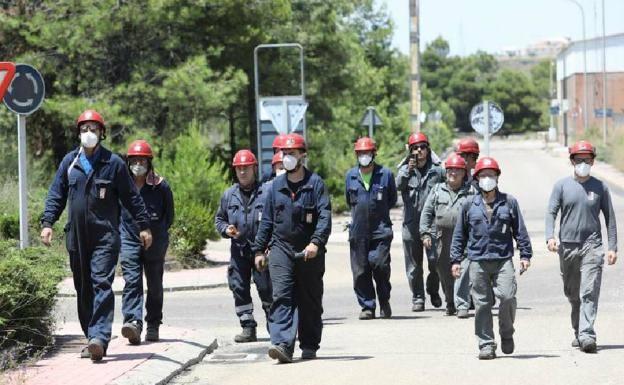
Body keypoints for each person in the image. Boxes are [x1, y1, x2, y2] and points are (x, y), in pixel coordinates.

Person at [40, 110, 152, 361]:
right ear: (78, 133)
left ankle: (100, 337)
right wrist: (48, 223)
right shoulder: (70, 162)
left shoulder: (113, 164)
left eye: (93, 128)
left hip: (105, 236)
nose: (88, 133)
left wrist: (143, 226)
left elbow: (132, 198)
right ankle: (91, 336)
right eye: (84, 128)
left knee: (101, 282)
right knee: (84, 287)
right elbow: (56, 194)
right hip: (77, 238)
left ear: (102, 133)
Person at [253, 133, 331, 363]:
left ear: (302, 156)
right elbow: (266, 221)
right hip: (281, 249)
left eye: (292, 154)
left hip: (309, 251)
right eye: (284, 154)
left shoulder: (315, 184)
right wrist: (259, 250)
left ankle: (309, 343)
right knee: (282, 296)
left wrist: (316, 242)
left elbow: (324, 217)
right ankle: (283, 344)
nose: (287, 158)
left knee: (310, 300)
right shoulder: (275, 186)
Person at [450, 157, 532, 360]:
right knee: (482, 304)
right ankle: (486, 343)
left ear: (497, 177)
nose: (487, 178)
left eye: (491, 175)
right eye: (483, 175)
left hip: (503, 259)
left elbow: (520, 231)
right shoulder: (469, 204)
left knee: (507, 297)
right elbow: (460, 234)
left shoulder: (509, 202)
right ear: (477, 179)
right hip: (477, 260)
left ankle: (506, 332)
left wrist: (525, 254)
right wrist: (455, 260)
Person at [545, 140, 617, 353]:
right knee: (572, 293)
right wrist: (550, 236)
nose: (583, 163)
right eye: (579, 159)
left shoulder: (600, 186)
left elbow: (610, 219)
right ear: (572, 161)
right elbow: (551, 212)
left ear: (593, 161)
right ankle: (578, 328)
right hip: (567, 247)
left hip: (592, 245)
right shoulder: (561, 186)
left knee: (589, 291)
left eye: (587, 159)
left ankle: (587, 334)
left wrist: (612, 246)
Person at [119, 140, 174, 345]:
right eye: (134, 160)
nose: (138, 164)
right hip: (129, 239)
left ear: (149, 162)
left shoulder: (161, 186)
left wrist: (157, 232)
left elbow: (169, 216)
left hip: (156, 241)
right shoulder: (123, 186)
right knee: (132, 281)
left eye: (142, 160)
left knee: (154, 284)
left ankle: (153, 324)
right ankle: (133, 322)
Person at [215, 149, 273, 343]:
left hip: (261, 252)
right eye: (239, 168)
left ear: (254, 168)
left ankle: (275, 327)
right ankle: (248, 328)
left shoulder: (266, 193)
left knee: (266, 289)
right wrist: (226, 229)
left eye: (246, 168)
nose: (242, 172)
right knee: (239, 288)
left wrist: (269, 247)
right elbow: (219, 220)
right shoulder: (229, 195)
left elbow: (275, 221)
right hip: (238, 252)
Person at [345, 137, 397, 320]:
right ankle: (367, 306)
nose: (364, 156)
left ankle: (384, 300)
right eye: (360, 153)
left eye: (367, 153)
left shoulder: (386, 174)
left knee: (380, 265)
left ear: (373, 154)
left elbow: (392, 199)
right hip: (358, 232)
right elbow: (349, 201)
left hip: (380, 230)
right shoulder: (350, 176)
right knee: (360, 271)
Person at [420, 153, 477, 317]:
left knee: (463, 270)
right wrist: (425, 234)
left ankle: (462, 304)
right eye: (450, 170)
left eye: (457, 170)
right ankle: (450, 301)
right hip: (441, 238)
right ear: (446, 172)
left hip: (464, 239)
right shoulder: (437, 190)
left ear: (464, 173)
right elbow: (427, 213)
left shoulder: (471, 192)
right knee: (445, 272)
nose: (453, 173)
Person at [396, 132, 445, 311]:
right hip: (411, 224)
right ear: (410, 151)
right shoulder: (404, 170)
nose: (419, 151)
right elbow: (398, 185)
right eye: (415, 148)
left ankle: (433, 289)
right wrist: (408, 170)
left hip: (432, 224)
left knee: (435, 261)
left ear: (428, 148)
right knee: (414, 266)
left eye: (422, 147)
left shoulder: (438, 170)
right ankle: (418, 297)